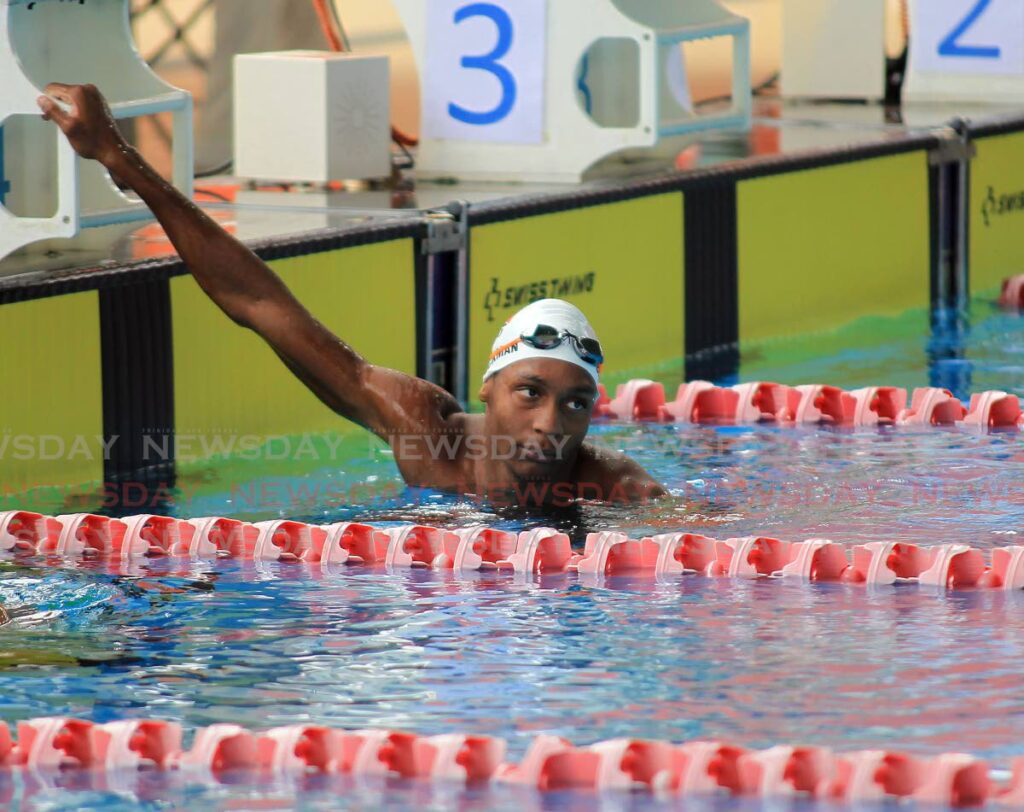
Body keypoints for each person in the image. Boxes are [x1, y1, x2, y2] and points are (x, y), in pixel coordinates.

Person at [37, 83, 666, 507]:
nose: (552, 424)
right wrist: (120, 159)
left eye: (577, 403)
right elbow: (261, 305)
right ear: (487, 387)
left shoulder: (612, 488)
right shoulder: (427, 436)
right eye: (530, 391)